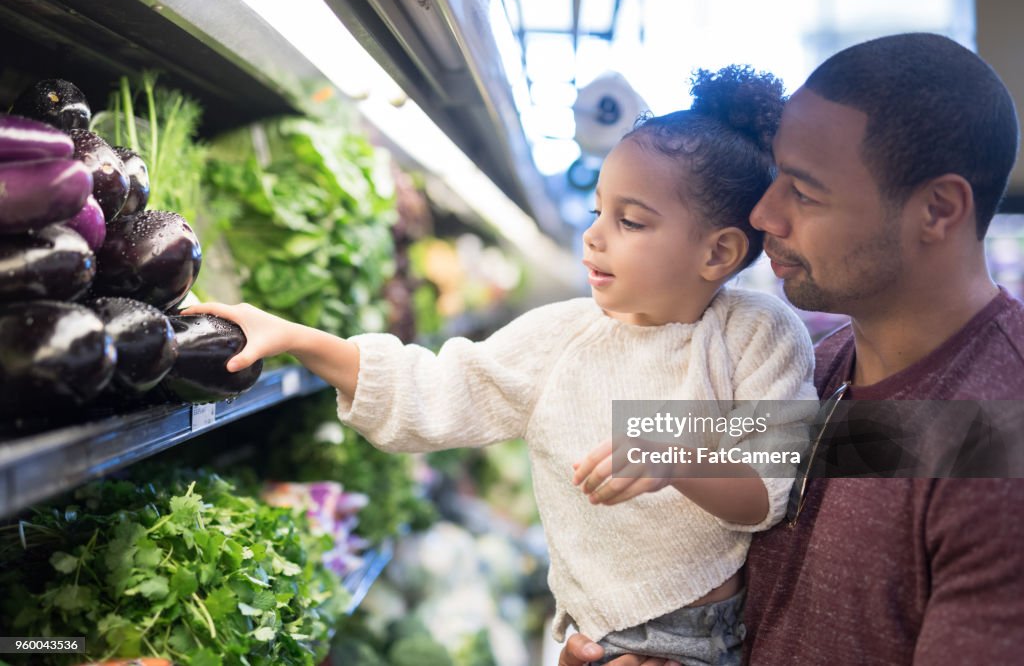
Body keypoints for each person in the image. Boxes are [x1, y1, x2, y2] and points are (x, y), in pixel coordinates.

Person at [185, 66, 817, 665]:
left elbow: (769, 489)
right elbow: (427, 389)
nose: (594, 236)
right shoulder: (560, 337)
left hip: (701, 640)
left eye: (629, 221)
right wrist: (298, 337)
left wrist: (667, 452)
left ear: (719, 252)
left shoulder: (760, 332)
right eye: (598, 210)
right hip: (591, 633)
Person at [558, 32, 1024, 666]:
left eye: (803, 192)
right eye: (776, 178)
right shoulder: (817, 367)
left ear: (937, 209)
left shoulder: (1003, 429)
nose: (762, 214)